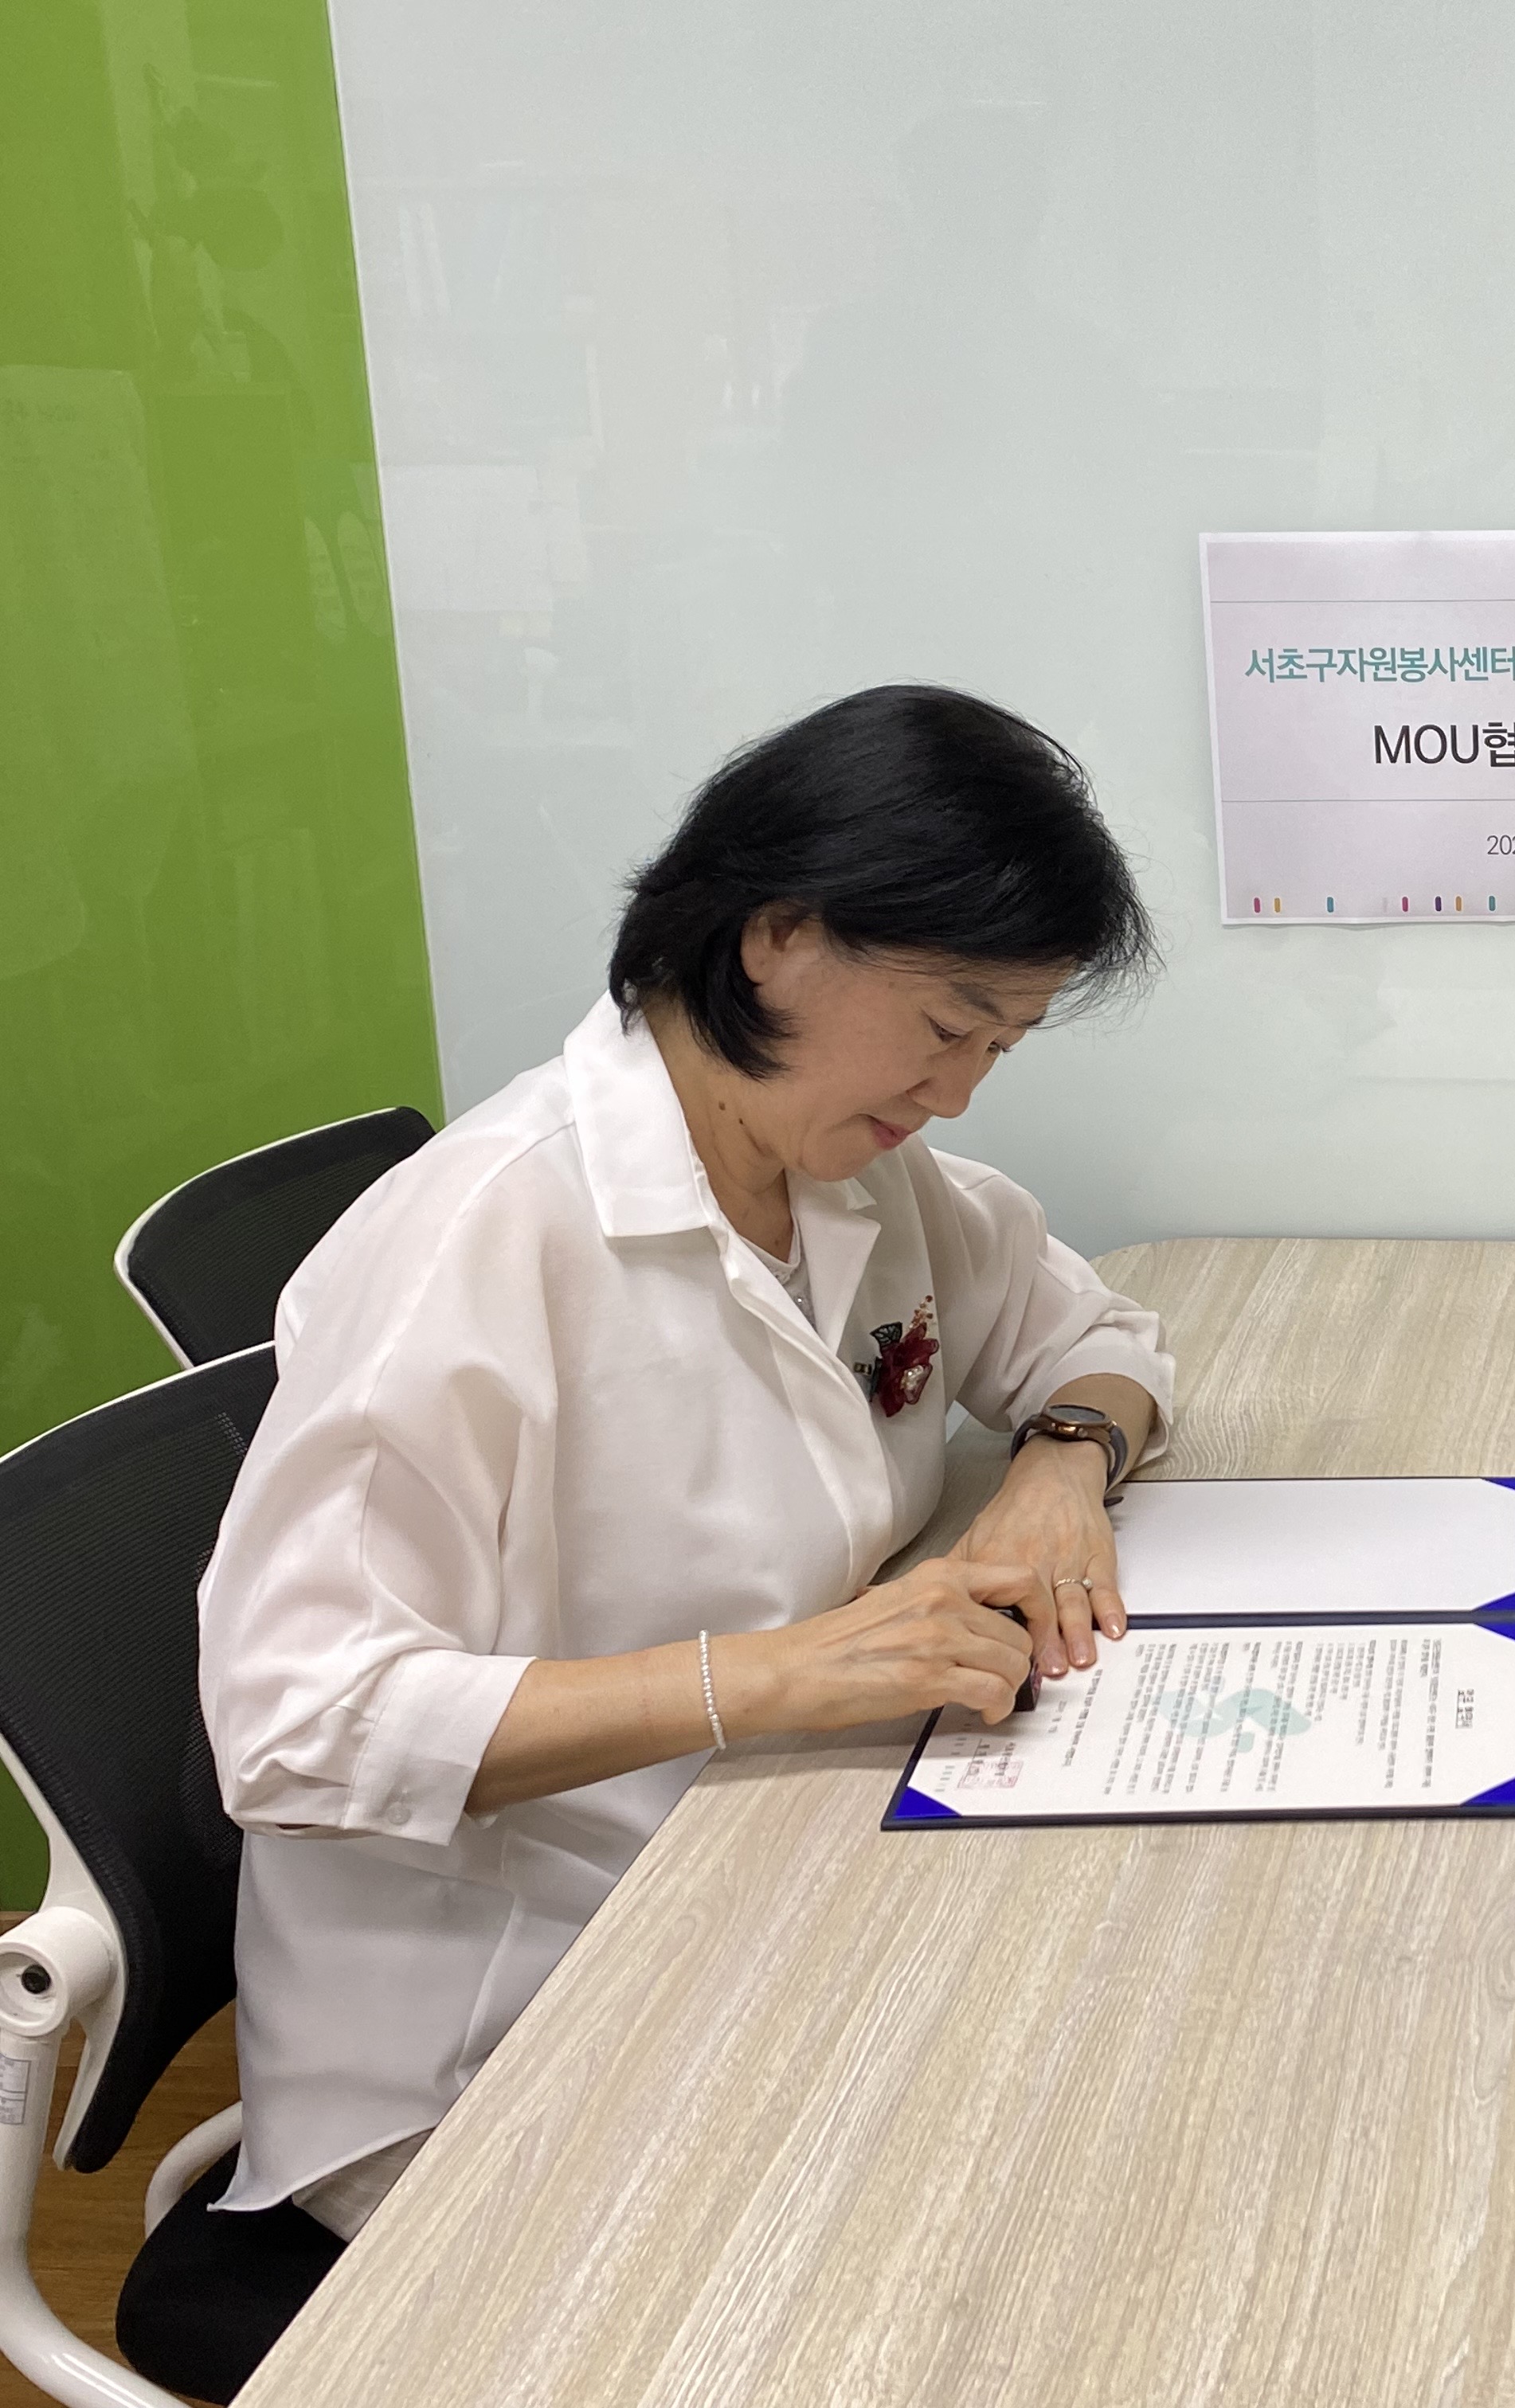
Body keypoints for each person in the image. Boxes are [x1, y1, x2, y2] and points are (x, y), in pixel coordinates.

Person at [198, 686, 1171, 2322]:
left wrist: (1063, 1465)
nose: (959, 1095)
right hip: (515, 2021)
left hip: (785, 1872)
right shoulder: (484, 1236)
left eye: (1000, 1047)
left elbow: (1100, 1337)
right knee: (1036, 2244)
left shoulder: (849, 1170)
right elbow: (294, 1725)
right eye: (948, 1027)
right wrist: (766, 1677)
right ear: (779, 936)